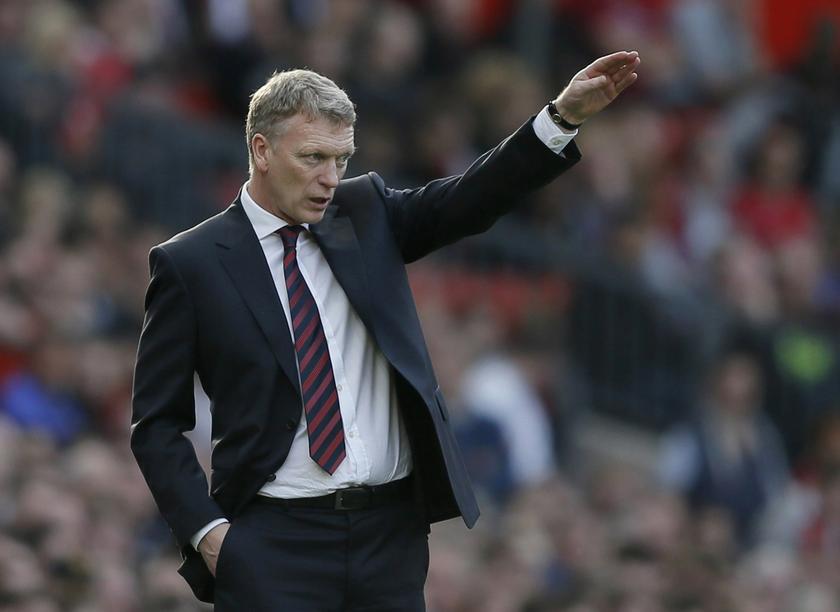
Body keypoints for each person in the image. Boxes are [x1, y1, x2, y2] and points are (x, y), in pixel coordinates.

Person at [130, 51, 640, 611]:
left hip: (388, 537)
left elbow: (469, 199)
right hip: (273, 540)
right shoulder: (191, 263)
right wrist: (209, 535)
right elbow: (155, 424)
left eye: (341, 159)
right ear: (261, 151)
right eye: (313, 158)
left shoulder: (364, 213)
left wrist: (561, 118)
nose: (330, 178)